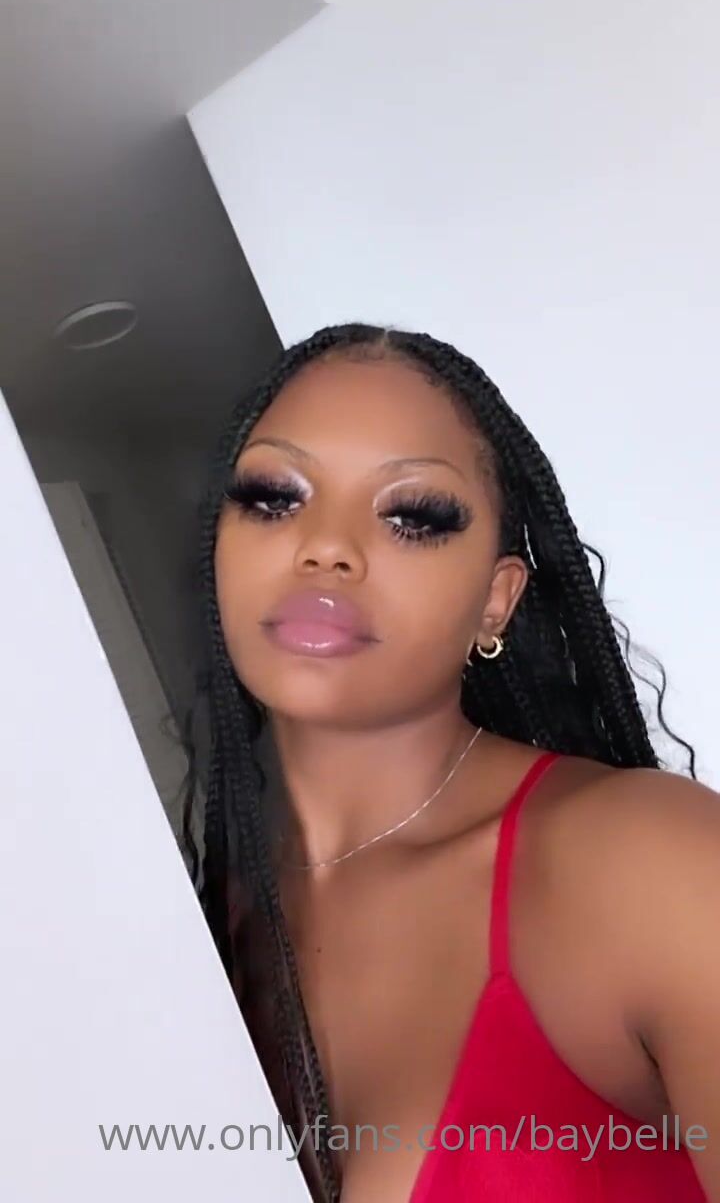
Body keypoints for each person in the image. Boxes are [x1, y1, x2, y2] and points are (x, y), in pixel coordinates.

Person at [182, 323, 719, 1202]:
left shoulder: (649, 862)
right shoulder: (198, 936)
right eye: (274, 499)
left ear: (496, 602)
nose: (326, 547)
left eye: (414, 517)